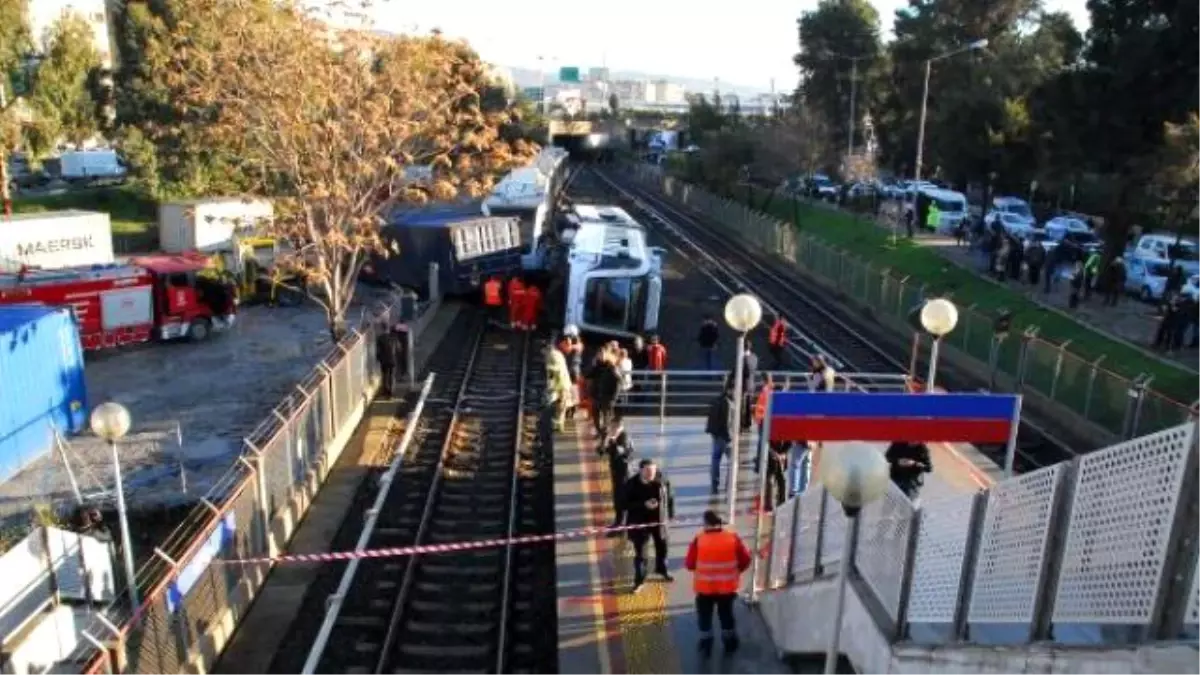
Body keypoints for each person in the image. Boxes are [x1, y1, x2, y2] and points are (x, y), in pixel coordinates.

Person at [685, 510, 752, 656]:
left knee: (704, 617)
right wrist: (735, 571)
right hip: (726, 588)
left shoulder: (699, 539)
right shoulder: (732, 538)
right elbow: (746, 559)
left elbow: (689, 564)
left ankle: (706, 644)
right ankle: (729, 643)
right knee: (726, 615)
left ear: (706, 524)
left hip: (704, 589)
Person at [622, 458, 675, 593]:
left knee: (662, 548)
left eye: (653, 470)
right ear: (640, 470)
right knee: (641, 554)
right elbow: (623, 504)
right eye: (648, 471)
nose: (651, 474)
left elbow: (670, 497)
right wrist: (643, 504)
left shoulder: (662, 480)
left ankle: (662, 570)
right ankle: (639, 580)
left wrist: (671, 515)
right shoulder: (631, 484)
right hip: (640, 523)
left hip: (659, 521)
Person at [600, 413, 634, 526]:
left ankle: (620, 524)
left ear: (619, 426)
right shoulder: (612, 437)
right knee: (616, 496)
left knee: (621, 498)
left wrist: (612, 441)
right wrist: (605, 440)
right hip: (616, 471)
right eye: (611, 426)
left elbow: (621, 453)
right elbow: (601, 452)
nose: (612, 429)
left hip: (623, 473)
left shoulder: (624, 437)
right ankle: (618, 521)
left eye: (614, 427)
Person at [705, 385, 736, 494]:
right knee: (732, 462)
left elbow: (710, 419)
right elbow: (727, 423)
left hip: (716, 436)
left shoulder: (716, 401)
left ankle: (714, 486)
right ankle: (729, 486)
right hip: (725, 438)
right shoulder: (728, 403)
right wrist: (730, 438)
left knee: (715, 461)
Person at [588, 348, 622, 435]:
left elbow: (618, 382)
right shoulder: (597, 366)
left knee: (606, 417)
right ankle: (600, 431)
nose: (601, 356)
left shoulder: (611, 367)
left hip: (607, 397)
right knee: (595, 416)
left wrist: (614, 397)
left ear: (606, 355)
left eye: (603, 354)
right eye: (600, 354)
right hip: (596, 395)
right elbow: (588, 375)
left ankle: (604, 433)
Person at [545, 343, 574, 431]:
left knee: (560, 406)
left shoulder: (553, 356)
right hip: (563, 385)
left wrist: (549, 368)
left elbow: (557, 371)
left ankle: (558, 425)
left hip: (562, 386)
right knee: (561, 407)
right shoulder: (557, 355)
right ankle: (559, 425)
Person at [375, 322, 402, 398]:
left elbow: (378, 351)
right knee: (392, 376)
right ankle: (391, 391)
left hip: (384, 361)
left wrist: (378, 358)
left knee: (385, 375)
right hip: (393, 359)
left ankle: (385, 391)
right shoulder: (394, 337)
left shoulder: (380, 338)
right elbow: (399, 349)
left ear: (382, 328)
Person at [764, 440, 790, 512]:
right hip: (770, 459)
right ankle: (768, 505)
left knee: (782, 480)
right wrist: (772, 452)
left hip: (781, 459)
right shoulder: (770, 430)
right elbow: (765, 441)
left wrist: (784, 454)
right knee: (770, 481)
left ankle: (781, 503)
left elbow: (789, 443)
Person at [738, 344, 759, 432]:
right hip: (751, 384)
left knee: (742, 406)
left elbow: (743, 371)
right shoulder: (754, 357)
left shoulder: (743, 359)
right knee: (748, 406)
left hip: (744, 385)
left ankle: (742, 424)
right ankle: (747, 424)